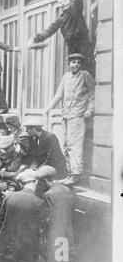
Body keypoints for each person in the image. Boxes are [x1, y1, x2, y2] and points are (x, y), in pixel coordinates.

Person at [44, 53, 95, 185]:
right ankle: (70, 173)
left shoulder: (85, 75)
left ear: (81, 65)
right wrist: (49, 107)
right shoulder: (66, 77)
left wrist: (89, 110)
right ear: (69, 64)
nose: (76, 65)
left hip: (78, 115)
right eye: (73, 62)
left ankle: (77, 174)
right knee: (66, 145)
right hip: (66, 115)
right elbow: (59, 95)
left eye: (78, 62)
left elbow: (92, 94)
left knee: (75, 145)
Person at [28, 0, 93, 74]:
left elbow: (79, 0)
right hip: (72, 48)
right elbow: (49, 30)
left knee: (85, 71)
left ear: (71, 2)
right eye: (60, 2)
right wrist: (35, 39)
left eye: (65, 1)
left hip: (83, 46)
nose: (62, 3)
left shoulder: (76, 11)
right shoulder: (61, 18)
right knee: (75, 72)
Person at [0, 169, 46, 262]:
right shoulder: (39, 202)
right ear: (35, 182)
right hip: (27, 249)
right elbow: (41, 230)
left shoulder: (9, 197)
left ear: (21, 184)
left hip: (7, 246)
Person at [38, 165, 74, 262]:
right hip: (66, 236)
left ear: (45, 181)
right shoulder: (68, 191)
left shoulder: (48, 195)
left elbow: (46, 220)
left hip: (52, 238)